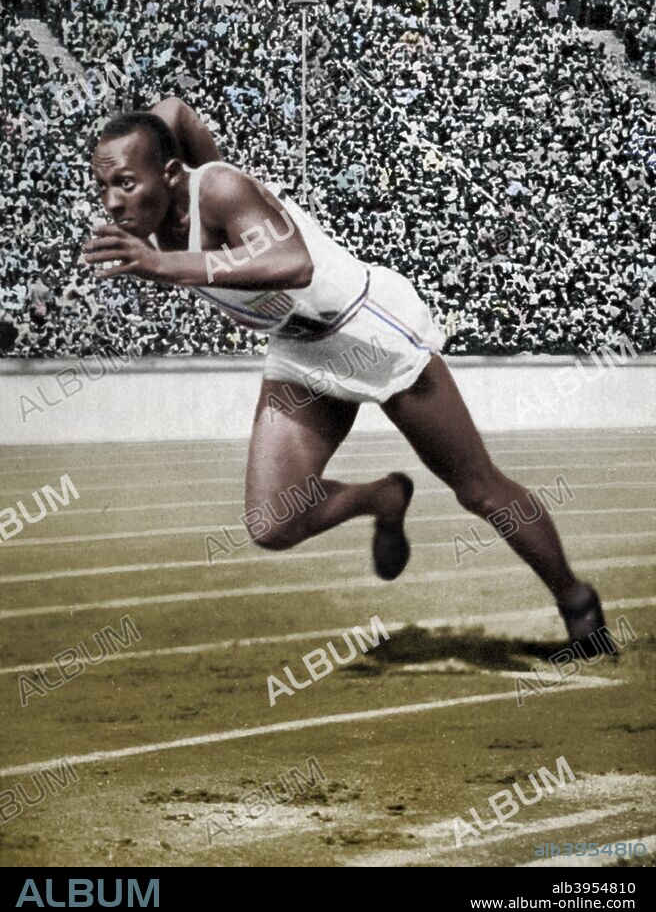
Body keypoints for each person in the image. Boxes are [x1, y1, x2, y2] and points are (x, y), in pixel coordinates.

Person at [83, 97, 614, 655]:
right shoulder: (163, 210)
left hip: (365, 327)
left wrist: (166, 264)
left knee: (477, 488)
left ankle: (576, 600)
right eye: (105, 188)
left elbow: (295, 263)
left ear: (168, 173)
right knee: (273, 522)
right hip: (301, 346)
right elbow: (173, 111)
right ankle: (382, 498)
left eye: (125, 183)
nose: (113, 203)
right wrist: (149, 143)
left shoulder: (218, 189)